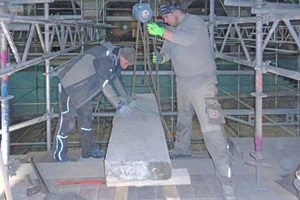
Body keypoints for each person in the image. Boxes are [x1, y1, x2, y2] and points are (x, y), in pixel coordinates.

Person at [147, 1, 236, 200]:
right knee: (184, 118)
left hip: (203, 82)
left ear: (175, 13)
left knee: (212, 128)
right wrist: (160, 58)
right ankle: (181, 149)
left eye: (166, 17)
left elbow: (186, 40)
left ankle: (226, 180)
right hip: (184, 82)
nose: (165, 21)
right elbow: (169, 50)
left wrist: (161, 31)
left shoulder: (195, 23)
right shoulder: (172, 28)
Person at [52, 42, 135, 162]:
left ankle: (88, 150)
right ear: (123, 57)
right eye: (126, 63)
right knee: (67, 122)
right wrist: (119, 105)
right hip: (70, 87)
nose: (125, 66)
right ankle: (59, 154)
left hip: (83, 91)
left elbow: (117, 79)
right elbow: (105, 84)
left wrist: (126, 96)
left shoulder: (114, 58)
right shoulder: (104, 58)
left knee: (86, 119)